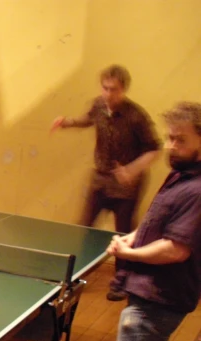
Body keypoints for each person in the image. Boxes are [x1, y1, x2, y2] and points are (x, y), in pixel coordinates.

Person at [73, 101, 201, 341]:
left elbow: (175, 249)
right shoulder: (183, 176)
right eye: (170, 137)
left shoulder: (197, 189)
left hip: (157, 300)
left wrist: (130, 252)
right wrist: (133, 237)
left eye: (180, 139)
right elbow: (161, 227)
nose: (170, 145)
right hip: (155, 296)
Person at [51, 64, 161, 301]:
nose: (109, 94)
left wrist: (132, 170)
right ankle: (73, 276)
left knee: (122, 233)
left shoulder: (136, 116)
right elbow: (87, 120)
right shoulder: (98, 106)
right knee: (85, 228)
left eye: (115, 89)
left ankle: (121, 282)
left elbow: (155, 149)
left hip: (127, 185)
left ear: (124, 90)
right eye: (105, 88)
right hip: (100, 179)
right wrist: (66, 122)